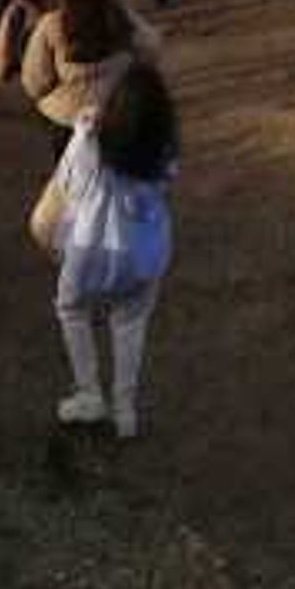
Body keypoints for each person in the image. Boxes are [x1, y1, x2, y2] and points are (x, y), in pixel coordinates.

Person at [36, 61, 180, 440]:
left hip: (91, 247)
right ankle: (125, 410)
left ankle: (88, 393)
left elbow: (69, 183)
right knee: (131, 323)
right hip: (145, 251)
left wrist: (83, 129)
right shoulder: (163, 150)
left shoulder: (92, 141)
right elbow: (167, 181)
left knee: (71, 308)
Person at [20, 0, 156, 154]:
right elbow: (152, 48)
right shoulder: (120, 17)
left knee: (70, 179)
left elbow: (34, 83)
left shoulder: (52, 25)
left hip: (67, 121)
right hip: (114, 113)